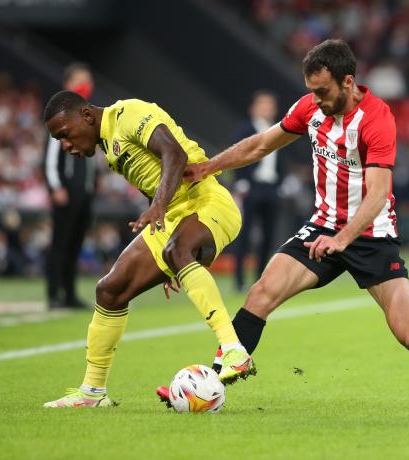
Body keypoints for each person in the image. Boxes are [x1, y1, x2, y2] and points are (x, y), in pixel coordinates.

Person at [160, 39, 409, 414]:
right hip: (322, 228)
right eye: (311, 91)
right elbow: (260, 145)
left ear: (348, 81)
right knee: (260, 295)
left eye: (323, 91)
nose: (316, 99)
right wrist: (210, 167)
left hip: (372, 236)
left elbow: (378, 194)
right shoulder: (310, 108)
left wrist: (343, 238)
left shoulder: (377, 119)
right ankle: (206, 386)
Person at [41, 90, 255, 408]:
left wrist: (158, 208)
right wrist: (170, 260)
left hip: (207, 200)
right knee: (109, 291)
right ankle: (92, 393)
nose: (66, 145)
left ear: (86, 116)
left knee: (177, 249)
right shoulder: (109, 147)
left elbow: (175, 154)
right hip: (171, 216)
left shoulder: (128, 114)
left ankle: (233, 349)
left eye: (65, 134)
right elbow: (156, 179)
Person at [43, 63, 97, 309]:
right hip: (67, 191)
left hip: (84, 192)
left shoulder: (85, 115)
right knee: (60, 244)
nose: (87, 84)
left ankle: (71, 294)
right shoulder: (61, 115)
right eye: (81, 80)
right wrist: (56, 187)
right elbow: (51, 157)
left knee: (75, 244)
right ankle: (54, 295)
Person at [232, 90, 283, 291]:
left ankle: (261, 278)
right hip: (251, 187)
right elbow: (236, 154)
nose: (267, 108)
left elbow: (283, 160)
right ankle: (239, 281)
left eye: (270, 104)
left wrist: (282, 182)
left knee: (269, 235)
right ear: (253, 108)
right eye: (263, 104)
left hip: (271, 188)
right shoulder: (245, 128)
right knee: (244, 234)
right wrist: (241, 182)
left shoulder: (280, 129)